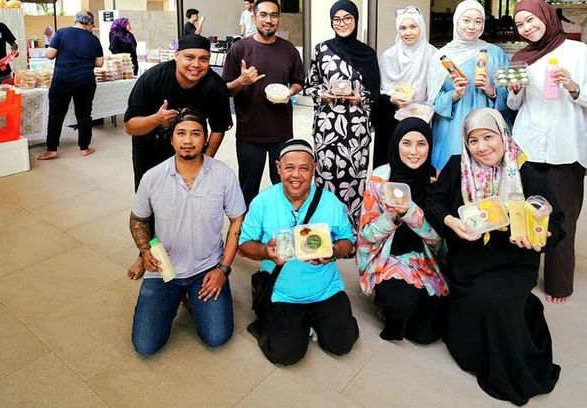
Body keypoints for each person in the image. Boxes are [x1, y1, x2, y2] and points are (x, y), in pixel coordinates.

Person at [423, 108, 564, 405]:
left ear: (504, 135)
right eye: (473, 140)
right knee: (475, 299)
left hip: (514, 260)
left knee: (497, 301)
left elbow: (556, 222)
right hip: (470, 257)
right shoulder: (456, 167)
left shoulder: (527, 175)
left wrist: (542, 236)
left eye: (488, 137)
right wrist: (451, 221)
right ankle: (475, 353)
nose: (482, 147)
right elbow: (433, 202)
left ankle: (511, 371)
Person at [508, 0, 587, 304]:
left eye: (531, 20)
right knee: (524, 215)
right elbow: (514, 105)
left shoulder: (579, 52)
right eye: (520, 23)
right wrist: (515, 91)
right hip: (528, 144)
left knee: (563, 216)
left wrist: (575, 87)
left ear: (546, 16)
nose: (527, 27)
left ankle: (559, 283)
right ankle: (521, 277)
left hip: (567, 146)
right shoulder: (521, 58)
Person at [128, 109, 246, 355]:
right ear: (171, 139)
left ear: (205, 139)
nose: (188, 140)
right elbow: (138, 219)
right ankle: (181, 297)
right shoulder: (152, 177)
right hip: (164, 270)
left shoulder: (223, 174)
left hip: (207, 268)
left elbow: (237, 220)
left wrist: (223, 269)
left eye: (196, 133)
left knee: (217, 337)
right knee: (146, 345)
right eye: (181, 133)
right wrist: (144, 251)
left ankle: (192, 296)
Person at [238, 139, 359, 366]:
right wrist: (265, 251)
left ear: (314, 169)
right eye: (289, 168)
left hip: (325, 287)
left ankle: (312, 321)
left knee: (341, 344)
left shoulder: (330, 202)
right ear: (278, 168)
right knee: (285, 354)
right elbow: (244, 245)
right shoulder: (263, 202)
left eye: (304, 168)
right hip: (282, 290)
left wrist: (333, 252)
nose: (296, 175)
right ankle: (289, 321)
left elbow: (348, 242)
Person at [124, 34, 233, 278]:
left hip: (190, 151)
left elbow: (219, 128)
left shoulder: (214, 86)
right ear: (176, 57)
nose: (196, 64)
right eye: (189, 57)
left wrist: (205, 161)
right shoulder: (153, 79)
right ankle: (147, 254)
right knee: (151, 205)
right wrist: (156, 119)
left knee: (186, 204)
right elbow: (130, 126)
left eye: (203, 59)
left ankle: (184, 257)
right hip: (149, 149)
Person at [357, 117, 448, 343]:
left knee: (425, 335)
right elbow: (367, 235)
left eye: (421, 144)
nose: (414, 152)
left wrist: (411, 213)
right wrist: (392, 217)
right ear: (396, 143)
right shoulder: (380, 178)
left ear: (430, 145)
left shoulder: (435, 180)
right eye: (406, 143)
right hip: (388, 257)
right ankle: (391, 303)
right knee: (399, 304)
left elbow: (439, 241)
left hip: (424, 260)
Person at [304, 0, 379, 228]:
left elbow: (374, 91)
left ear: (355, 20)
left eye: (347, 18)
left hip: (356, 129)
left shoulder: (367, 53)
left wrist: (361, 98)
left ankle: (350, 231)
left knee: (354, 178)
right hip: (328, 127)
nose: (342, 23)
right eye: (337, 19)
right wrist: (323, 94)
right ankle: (325, 228)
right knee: (327, 176)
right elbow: (309, 85)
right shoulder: (322, 50)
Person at [223, 0, 305, 205]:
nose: (269, 20)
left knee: (284, 185)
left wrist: (290, 91)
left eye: (274, 15)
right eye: (263, 15)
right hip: (250, 133)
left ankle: (282, 229)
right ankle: (246, 232)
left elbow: (298, 82)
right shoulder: (239, 49)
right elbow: (225, 90)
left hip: (281, 132)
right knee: (247, 188)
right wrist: (241, 81)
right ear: (254, 17)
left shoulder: (289, 50)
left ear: (279, 19)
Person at [427, 0, 509, 171]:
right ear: (457, 21)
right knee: (453, 175)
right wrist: (455, 94)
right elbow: (433, 99)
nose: (472, 27)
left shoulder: (496, 54)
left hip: (488, 126)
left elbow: (511, 96)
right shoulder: (442, 57)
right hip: (452, 129)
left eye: (478, 21)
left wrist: (491, 90)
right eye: (466, 20)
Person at [373, 5, 438, 168]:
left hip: (423, 118)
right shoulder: (389, 56)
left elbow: (435, 90)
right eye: (402, 28)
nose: (408, 32)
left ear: (421, 27)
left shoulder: (433, 55)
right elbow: (382, 90)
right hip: (394, 119)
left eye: (413, 27)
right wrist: (392, 98)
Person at [37, 11, 104, 160]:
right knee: (84, 114)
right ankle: (85, 148)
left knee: (56, 114)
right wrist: (84, 60)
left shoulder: (61, 33)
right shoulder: (94, 40)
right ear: (89, 23)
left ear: (76, 20)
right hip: (86, 80)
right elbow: (99, 63)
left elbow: (50, 55)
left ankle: (52, 149)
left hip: (63, 80)